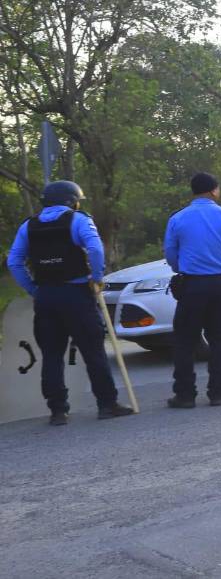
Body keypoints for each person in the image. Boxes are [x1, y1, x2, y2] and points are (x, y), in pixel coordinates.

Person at [6, 181, 134, 425]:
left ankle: (58, 411)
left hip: (46, 297)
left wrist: (33, 288)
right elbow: (95, 249)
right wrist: (96, 278)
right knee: (93, 352)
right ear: (71, 200)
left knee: (52, 355)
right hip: (76, 295)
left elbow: (14, 262)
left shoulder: (28, 226)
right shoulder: (78, 220)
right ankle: (107, 404)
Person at [164, 173, 221, 409]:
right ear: (214, 190)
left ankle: (185, 395)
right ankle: (218, 393)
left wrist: (181, 266)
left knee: (184, 341)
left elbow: (171, 254)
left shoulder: (178, 219)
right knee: (220, 338)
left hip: (191, 285)